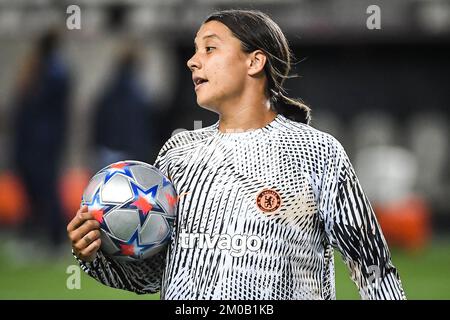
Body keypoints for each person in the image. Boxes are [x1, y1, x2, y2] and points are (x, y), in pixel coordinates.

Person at [67, 9, 406, 300]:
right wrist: (96, 255)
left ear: (255, 61)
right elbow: (153, 277)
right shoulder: (177, 154)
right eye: (194, 50)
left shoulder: (317, 153)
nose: (192, 60)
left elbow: (372, 268)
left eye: (210, 48)